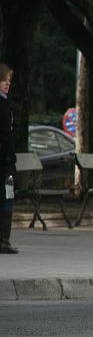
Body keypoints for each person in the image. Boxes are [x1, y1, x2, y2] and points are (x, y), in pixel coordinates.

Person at [0, 64, 17, 254]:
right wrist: (9, 156)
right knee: (5, 196)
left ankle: (4, 239)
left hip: (5, 157)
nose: (7, 84)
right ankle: (3, 240)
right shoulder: (2, 104)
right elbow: (6, 133)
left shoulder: (6, 103)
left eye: (9, 81)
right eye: (4, 80)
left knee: (7, 195)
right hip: (3, 158)